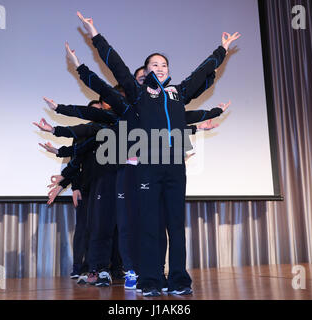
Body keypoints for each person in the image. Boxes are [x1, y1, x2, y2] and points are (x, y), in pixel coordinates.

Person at [76, 11, 241, 297]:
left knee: (176, 227)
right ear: (147, 70)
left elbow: (203, 71)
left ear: (168, 70)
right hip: (148, 169)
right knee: (151, 226)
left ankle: (179, 280)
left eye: (164, 64)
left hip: (175, 168)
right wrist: (95, 34)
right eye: (154, 64)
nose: (160, 67)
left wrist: (222, 49)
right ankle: (150, 279)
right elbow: (115, 65)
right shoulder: (138, 95)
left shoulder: (178, 93)